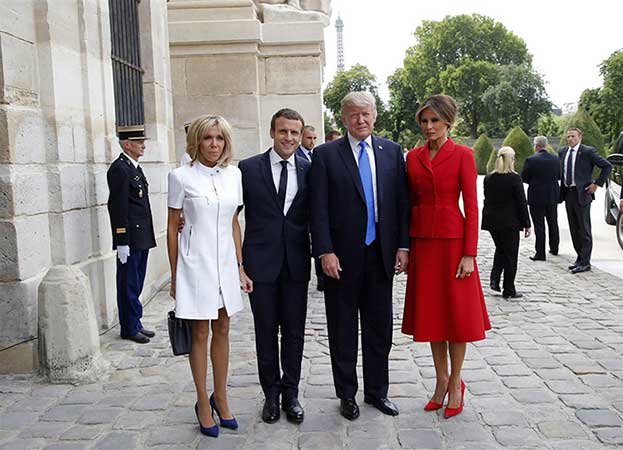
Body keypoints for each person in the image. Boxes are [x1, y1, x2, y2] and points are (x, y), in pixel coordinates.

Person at [310, 91, 409, 420]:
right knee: (342, 330)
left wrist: (403, 246)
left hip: (380, 256)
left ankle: (377, 392)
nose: (360, 119)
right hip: (341, 259)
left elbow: (401, 204)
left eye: (366, 113)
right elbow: (318, 208)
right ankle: (347, 395)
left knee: (380, 328)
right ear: (344, 118)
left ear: (375, 115)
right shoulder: (325, 155)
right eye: (353, 114)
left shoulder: (392, 152)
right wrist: (324, 251)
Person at [401, 94, 490, 419]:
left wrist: (470, 253)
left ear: (448, 122)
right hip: (423, 244)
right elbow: (408, 204)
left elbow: (473, 206)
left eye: (434, 121)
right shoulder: (412, 157)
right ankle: (440, 381)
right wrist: (407, 248)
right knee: (432, 318)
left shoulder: (464, 155)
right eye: (424, 121)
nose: (428, 127)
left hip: (454, 245)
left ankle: (455, 383)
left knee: (456, 319)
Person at [166, 115, 253, 438]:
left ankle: (222, 397)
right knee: (200, 332)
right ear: (197, 142)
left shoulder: (234, 175)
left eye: (219, 138)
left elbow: (233, 223)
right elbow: (171, 229)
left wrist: (241, 266)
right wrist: (175, 275)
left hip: (226, 264)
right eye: (208, 138)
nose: (214, 144)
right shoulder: (180, 177)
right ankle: (203, 402)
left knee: (224, 327)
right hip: (195, 264)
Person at [239, 108, 311, 424]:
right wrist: (237, 264)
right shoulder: (248, 168)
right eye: (283, 131)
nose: (289, 138)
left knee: (294, 334)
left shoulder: (311, 169)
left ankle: (291, 394)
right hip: (260, 265)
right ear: (272, 132)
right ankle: (270, 395)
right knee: (265, 332)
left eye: (295, 133)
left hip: (296, 265)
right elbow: (227, 215)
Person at [106, 125, 157, 344]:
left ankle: (135, 322)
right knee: (128, 283)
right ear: (127, 144)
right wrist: (121, 240)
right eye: (139, 142)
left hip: (141, 237)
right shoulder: (120, 168)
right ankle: (128, 327)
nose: (143, 145)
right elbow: (117, 207)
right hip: (131, 239)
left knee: (136, 282)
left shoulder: (133, 167)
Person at [559, 127, 612, 273]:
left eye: (573, 136)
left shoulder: (588, 151)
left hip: (582, 193)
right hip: (568, 193)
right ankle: (579, 258)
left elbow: (607, 166)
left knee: (584, 229)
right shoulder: (563, 151)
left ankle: (585, 262)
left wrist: (597, 184)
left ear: (580, 137)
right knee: (573, 228)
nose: (570, 139)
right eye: (568, 136)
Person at [482, 146, 532, 298]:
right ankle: (509, 288)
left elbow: (487, 199)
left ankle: (495, 279)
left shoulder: (489, 177)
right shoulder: (514, 178)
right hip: (509, 222)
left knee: (501, 250)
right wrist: (527, 224)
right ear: (512, 160)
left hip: (493, 222)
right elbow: (521, 202)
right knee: (510, 255)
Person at [521, 136, 560, 261]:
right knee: (553, 223)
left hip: (536, 196)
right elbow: (559, 175)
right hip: (552, 195)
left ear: (536, 146)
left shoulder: (531, 160)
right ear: (546, 145)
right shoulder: (556, 159)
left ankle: (540, 253)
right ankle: (554, 248)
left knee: (539, 225)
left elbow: (524, 177)